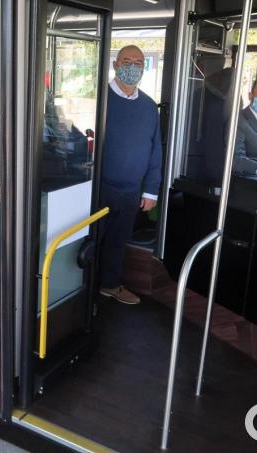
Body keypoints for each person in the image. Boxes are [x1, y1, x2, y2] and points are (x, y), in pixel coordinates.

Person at [98, 45, 162, 305]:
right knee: (91, 241)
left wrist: (151, 190)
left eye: (138, 63)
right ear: (115, 65)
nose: (132, 68)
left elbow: (155, 148)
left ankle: (109, 285)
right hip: (99, 187)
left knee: (117, 242)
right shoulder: (99, 100)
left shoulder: (148, 107)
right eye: (127, 61)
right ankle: (81, 294)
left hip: (132, 190)